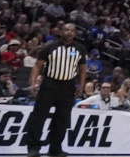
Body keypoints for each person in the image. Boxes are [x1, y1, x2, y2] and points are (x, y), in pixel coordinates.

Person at [25, 23, 87, 157]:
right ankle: (33, 148)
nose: (69, 32)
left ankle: (55, 148)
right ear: (61, 32)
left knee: (62, 119)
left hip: (68, 86)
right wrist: (33, 83)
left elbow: (82, 69)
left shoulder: (80, 49)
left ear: (75, 33)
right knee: (39, 116)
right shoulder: (49, 47)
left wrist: (81, 85)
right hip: (49, 84)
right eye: (66, 30)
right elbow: (37, 66)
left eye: (72, 31)